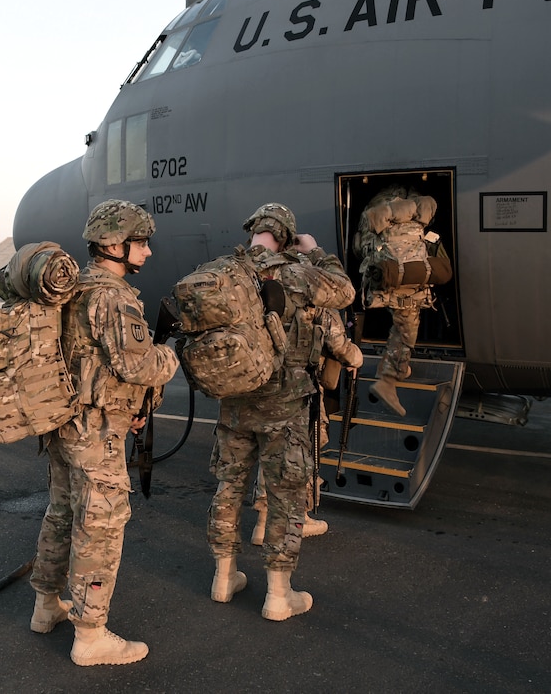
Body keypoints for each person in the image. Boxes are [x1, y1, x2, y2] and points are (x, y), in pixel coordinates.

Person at [29, 200, 179, 666]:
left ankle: (45, 606)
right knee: (101, 526)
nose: (148, 252)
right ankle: (91, 635)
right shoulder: (112, 296)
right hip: (97, 432)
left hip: (65, 424)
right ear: (115, 244)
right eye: (142, 242)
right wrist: (173, 354)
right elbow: (136, 364)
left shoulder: (73, 288)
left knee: (61, 512)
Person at [207, 203, 355, 621]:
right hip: (284, 404)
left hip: (235, 402)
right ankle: (278, 595)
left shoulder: (224, 271)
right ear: (287, 237)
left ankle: (223, 577)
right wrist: (317, 251)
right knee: (287, 496)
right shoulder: (295, 272)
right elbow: (344, 291)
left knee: (230, 487)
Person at [249, 305, 363, 544]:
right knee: (307, 446)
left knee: (271, 445)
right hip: (302, 387)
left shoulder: (270, 287)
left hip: (268, 382)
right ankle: (299, 517)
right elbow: (338, 344)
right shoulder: (314, 290)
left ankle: (262, 521)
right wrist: (355, 357)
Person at [354, 185, 441, 416]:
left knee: (401, 324)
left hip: (386, 278)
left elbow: (358, 248)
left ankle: (395, 368)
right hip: (406, 283)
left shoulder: (375, 213)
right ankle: (389, 378)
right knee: (406, 329)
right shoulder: (417, 210)